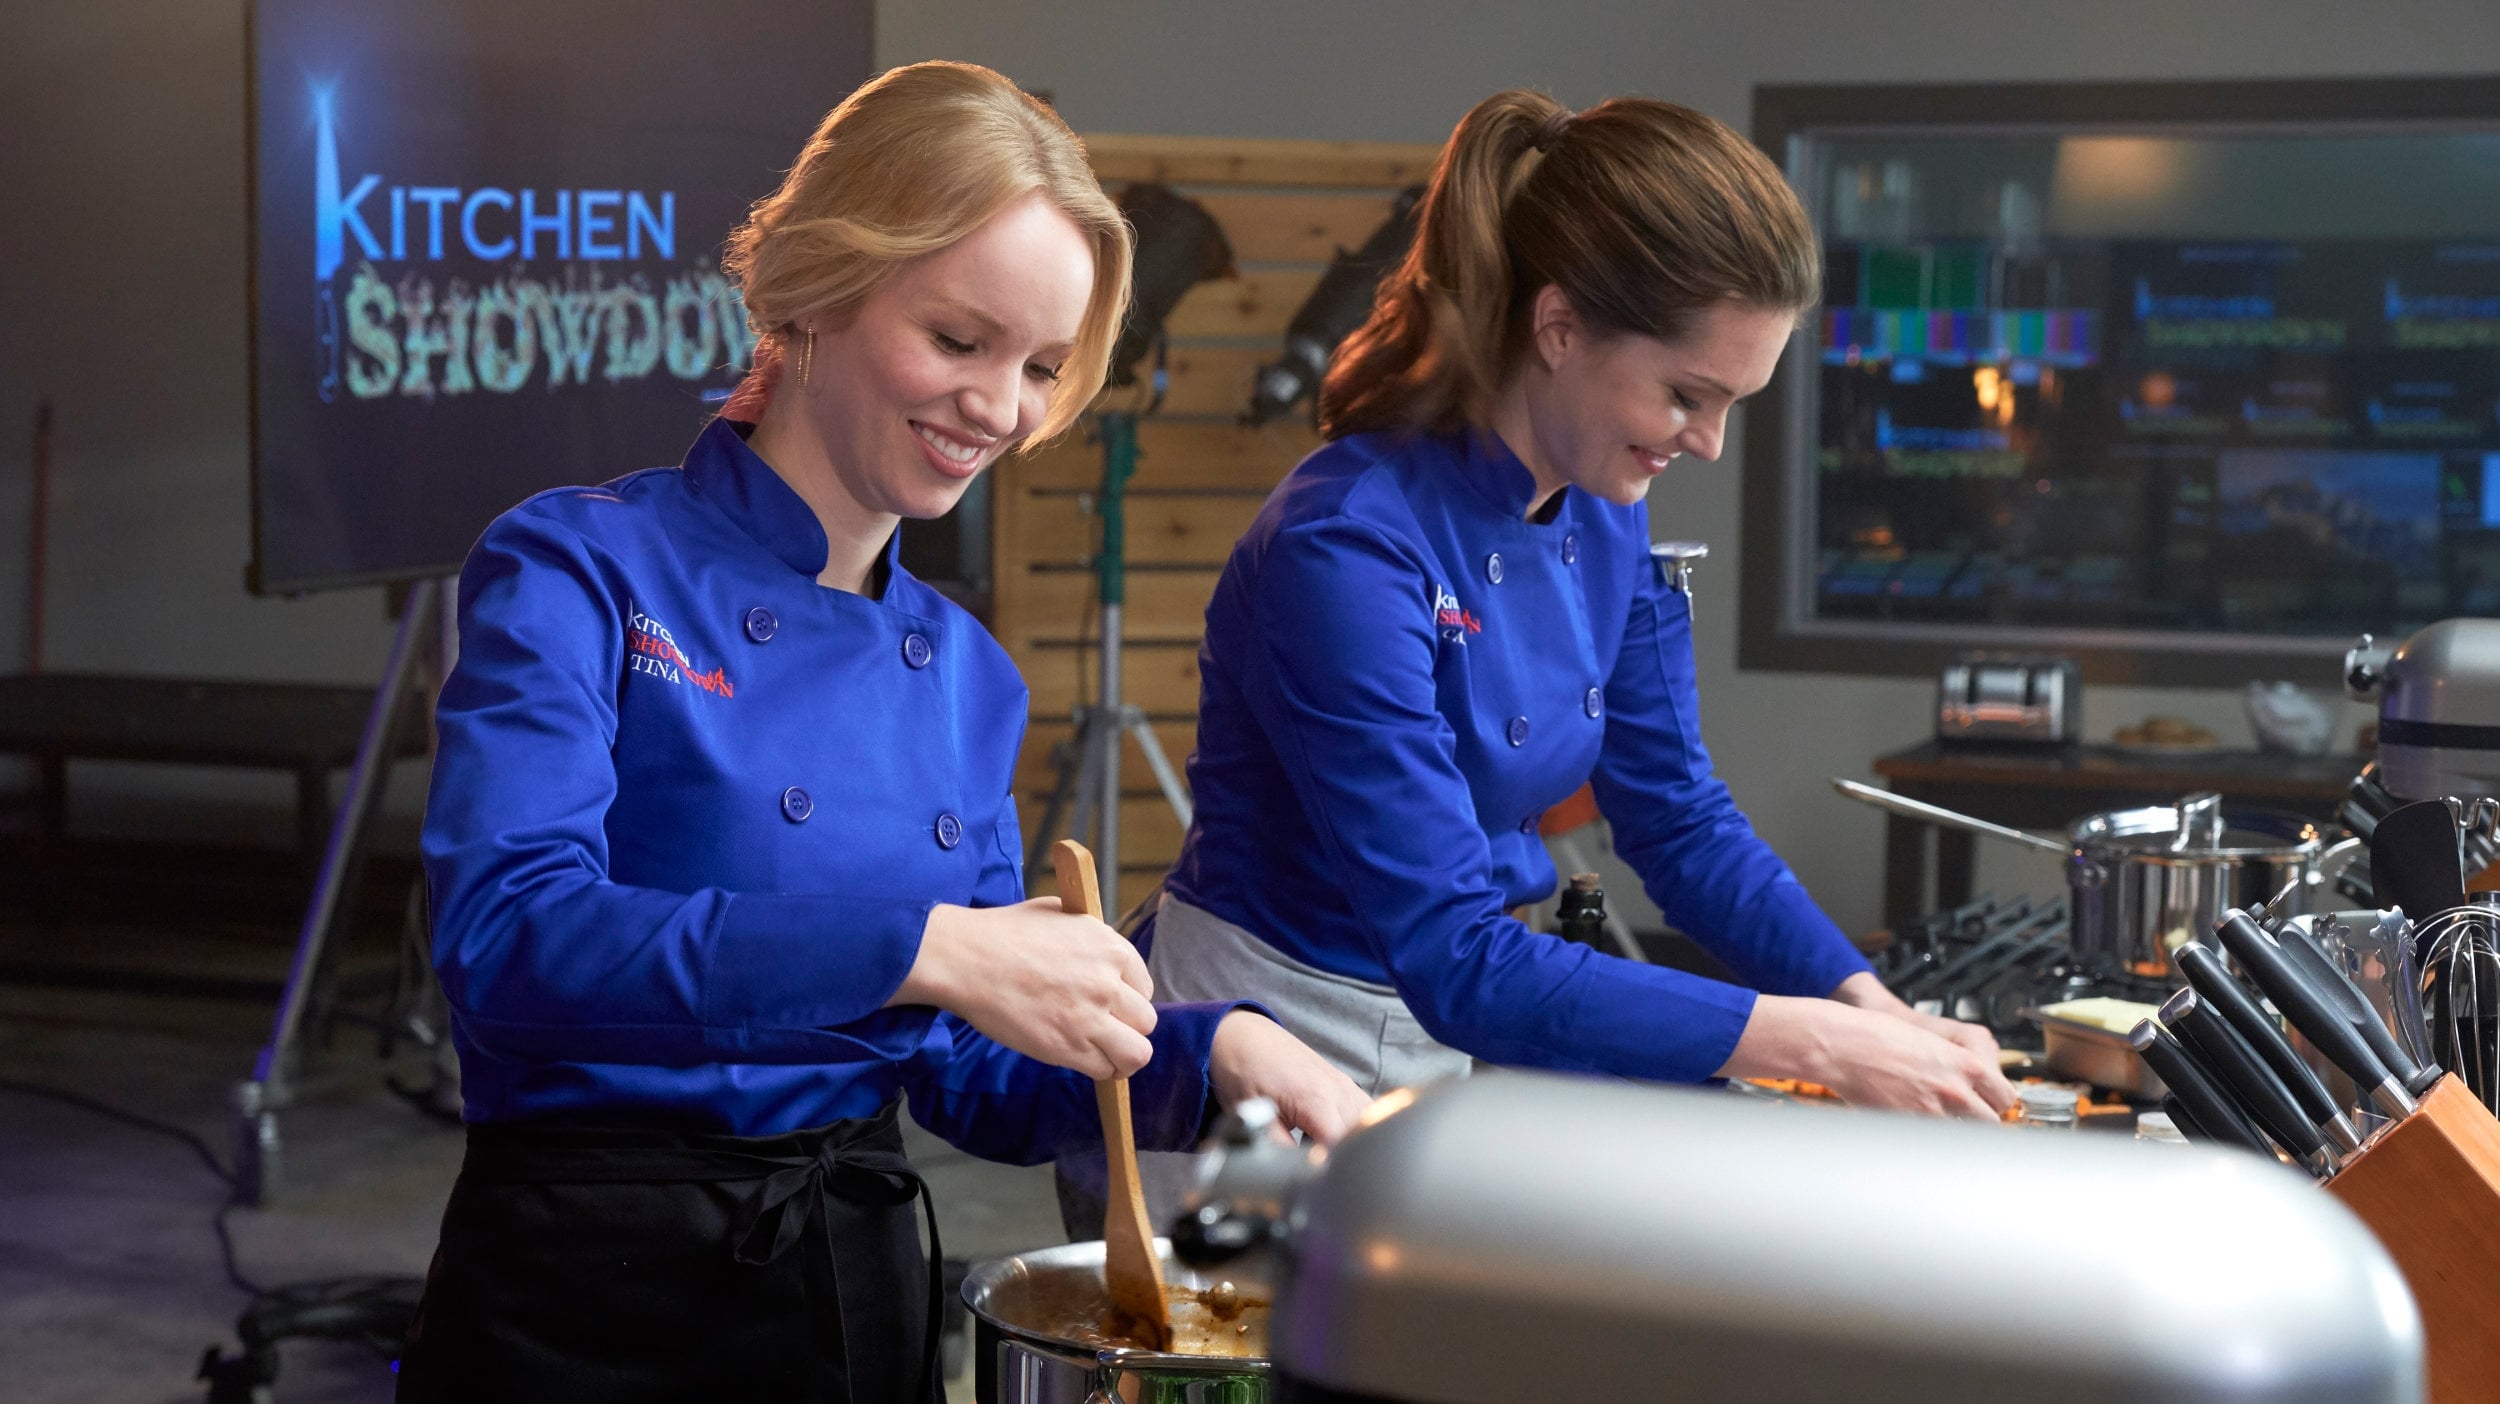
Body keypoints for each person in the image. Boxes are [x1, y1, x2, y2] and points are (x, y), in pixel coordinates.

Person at [397, 62, 1366, 1404]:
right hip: (586, 1299)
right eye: (959, 341)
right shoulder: (577, 567)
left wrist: (1214, 1056)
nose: (1001, 408)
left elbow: (964, 1074)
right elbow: (510, 938)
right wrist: (931, 946)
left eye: (1039, 368)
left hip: (851, 1299)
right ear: (818, 286)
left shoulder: (965, 674)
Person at [1151, 90, 2016, 1118]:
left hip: (1452, 1035)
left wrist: (1868, 1006)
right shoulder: (1344, 545)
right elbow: (1454, 955)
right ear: (1558, 327)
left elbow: (1678, 818)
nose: (1709, 445)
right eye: (1687, 396)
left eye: (1733, 405)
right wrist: (1822, 1045)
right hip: (1264, 1038)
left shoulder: (1604, 516)